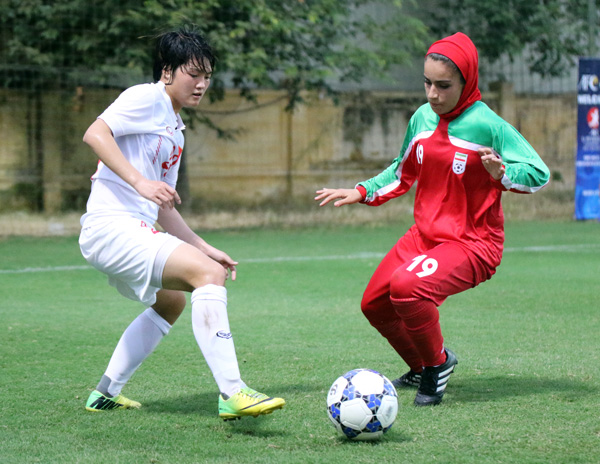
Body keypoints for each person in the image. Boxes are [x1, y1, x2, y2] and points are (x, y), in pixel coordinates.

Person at [315, 32, 550, 406]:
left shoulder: (490, 126)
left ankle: (437, 364)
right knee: (375, 304)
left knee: (407, 286)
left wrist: (502, 174)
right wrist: (361, 190)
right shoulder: (423, 118)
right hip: (424, 236)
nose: (432, 94)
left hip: (473, 244)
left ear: (467, 81)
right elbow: (400, 171)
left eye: (444, 85)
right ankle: (423, 366)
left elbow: (538, 172)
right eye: (427, 83)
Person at [79, 26, 285, 420]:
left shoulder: (175, 130)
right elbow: (95, 133)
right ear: (168, 71)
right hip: (111, 226)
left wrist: (203, 246)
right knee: (207, 276)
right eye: (194, 74)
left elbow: (164, 207)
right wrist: (141, 182)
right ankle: (233, 392)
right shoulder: (146, 97)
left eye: (208, 76)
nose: (202, 84)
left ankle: (105, 392)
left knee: (172, 300)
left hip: (130, 229)